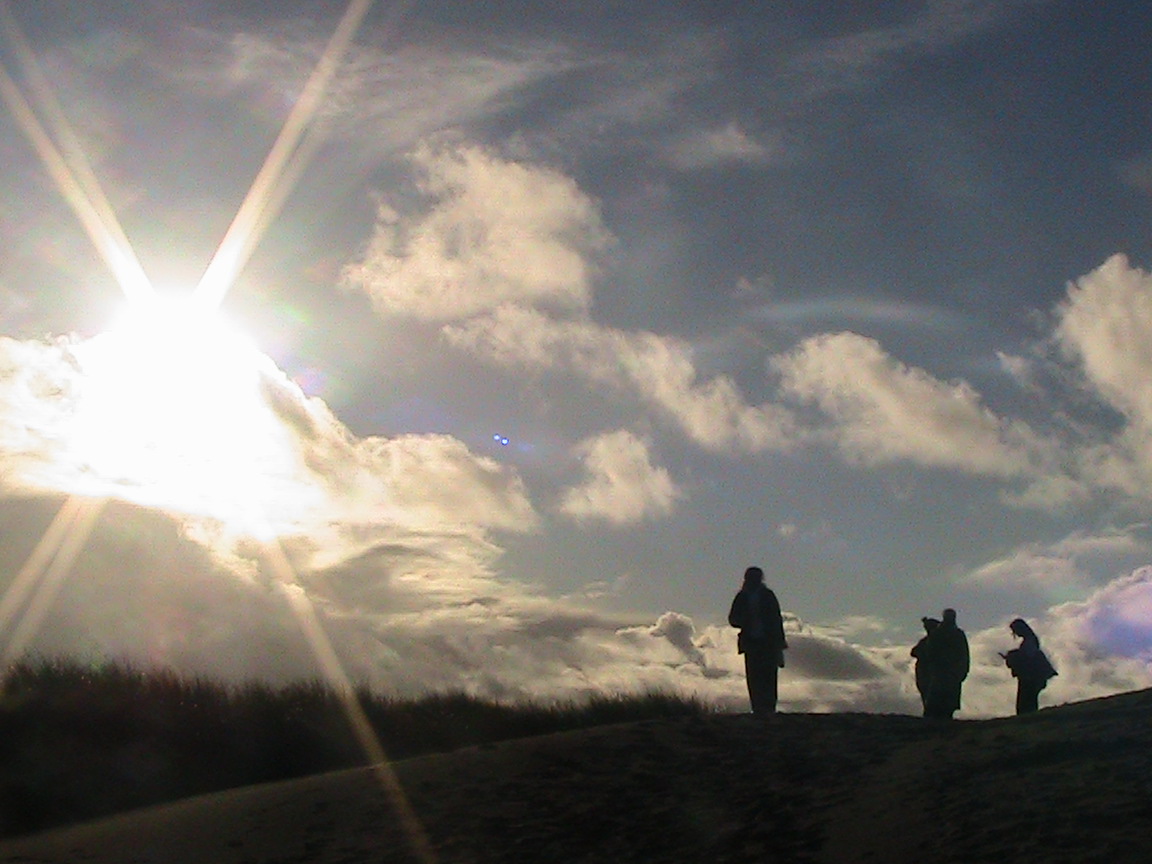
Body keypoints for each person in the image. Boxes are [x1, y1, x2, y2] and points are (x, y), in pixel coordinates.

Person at [728, 566, 788, 714]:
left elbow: (776, 619)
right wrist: (745, 620)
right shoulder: (742, 596)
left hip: (767, 642)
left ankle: (768, 709)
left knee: (768, 676)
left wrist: (779, 644)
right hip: (751, 642)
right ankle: (758, 708)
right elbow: (733, 619)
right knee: (755, 676)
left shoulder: (767, 595)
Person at [1000, 617, 1057, 715]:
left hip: (1029, 676)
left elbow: (1028, 656)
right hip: (1030, 675)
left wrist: (1013, 655)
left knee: (1026, 700)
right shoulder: (1031, 640)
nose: (1015, 633)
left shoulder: (1030, 641)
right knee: (1028, 699)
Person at [923, 608, 969, 719]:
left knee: (947, 702)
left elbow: (964, 654)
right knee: (936, 700)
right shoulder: (939, 633)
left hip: (950, 672)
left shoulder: (954, 634)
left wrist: (962, 670)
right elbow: (930, 652)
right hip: (941, 671)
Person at [910, 616, 940, 714]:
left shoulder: (934, 641)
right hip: (925, 671)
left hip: (932, 672)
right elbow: (913, 652)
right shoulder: (925, 641)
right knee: (926, 691)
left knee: (931, 692)